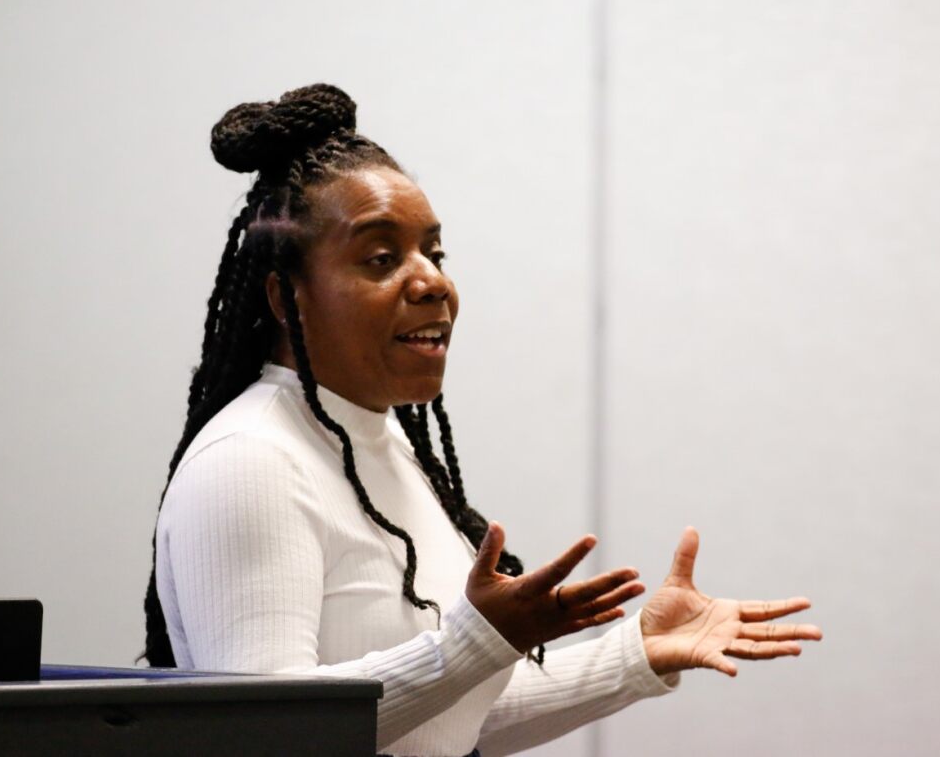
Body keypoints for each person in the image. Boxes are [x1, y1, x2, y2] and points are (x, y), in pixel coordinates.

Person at [143, 84, 822, 757]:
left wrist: (636, 652)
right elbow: (264, 736)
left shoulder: (380, 444)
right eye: (382, 258)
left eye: (433, 254)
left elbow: (451, 723)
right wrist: (472, 644)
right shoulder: (251, 459)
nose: (431, 282)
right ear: (287, 299)